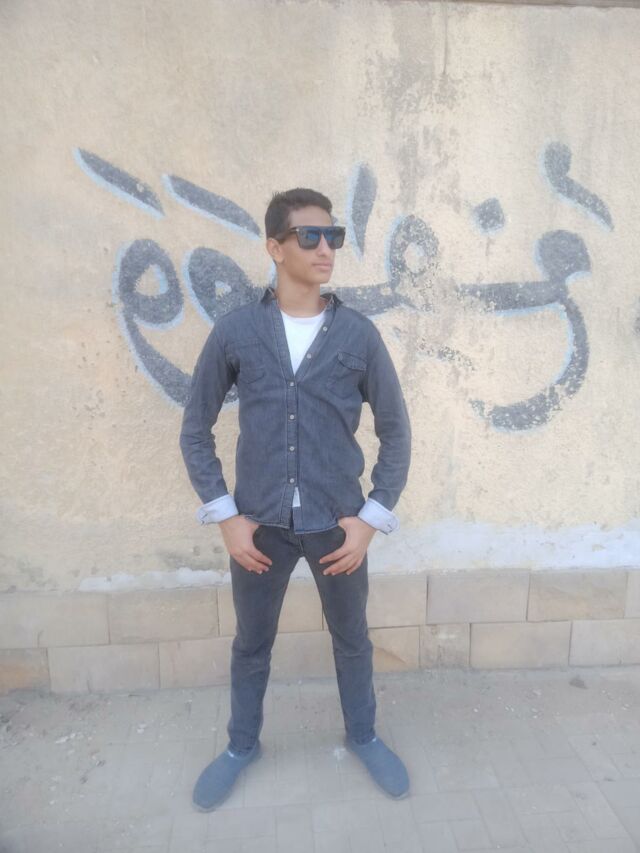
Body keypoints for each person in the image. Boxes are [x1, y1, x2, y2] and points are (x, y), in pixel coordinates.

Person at [179, 187, 412, 811]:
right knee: (252, 643)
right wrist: (226, 517)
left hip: (338, 526)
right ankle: (241, 746)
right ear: (275, 247)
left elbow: (396, 432)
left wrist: (370, 520)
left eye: (333, 236)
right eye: (309, 236)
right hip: (259, 528)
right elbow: (195, 428)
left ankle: (363, 736)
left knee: (352, 638)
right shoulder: (237, 332)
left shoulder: (358, 335)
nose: (325, 248)